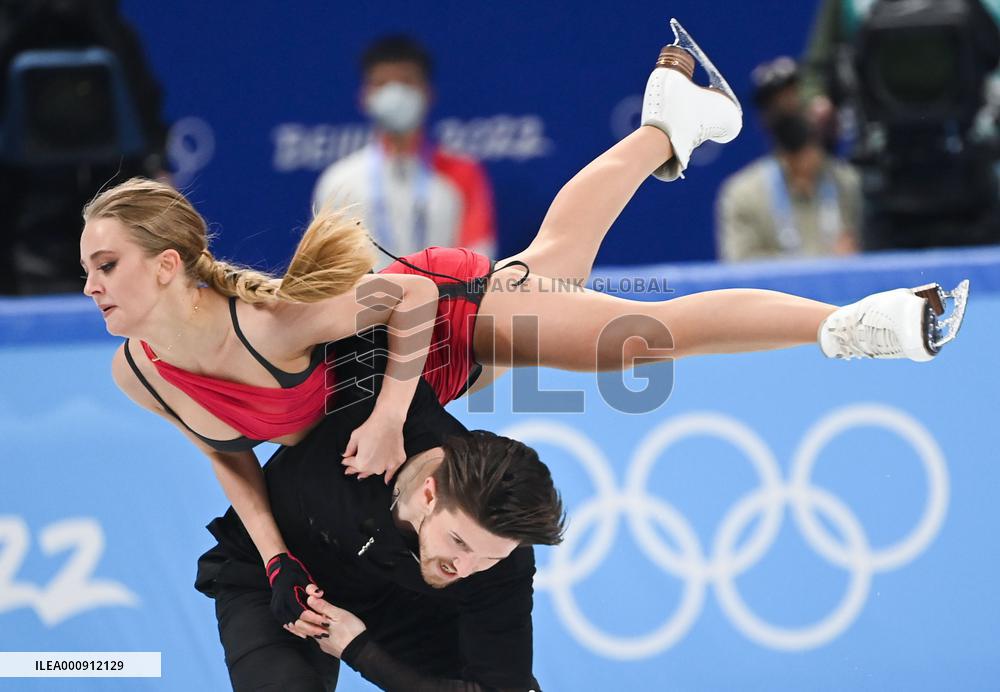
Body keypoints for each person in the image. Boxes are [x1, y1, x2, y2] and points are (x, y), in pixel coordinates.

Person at [80, 17, 967, 643]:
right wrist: (273, 559)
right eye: (85, 268)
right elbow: (225, 453)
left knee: (639, 337)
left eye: (106, 264)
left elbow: (412, 303)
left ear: (167, 265)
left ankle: (853, 326)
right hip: (437, 376)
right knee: (556, 256)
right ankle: (670, 119)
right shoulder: (139, 372)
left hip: (438, 317)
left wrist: (389, 418)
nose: (89, 286)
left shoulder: (268, 323)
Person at [195, 334, 564, 690]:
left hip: (397, 604)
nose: (464, 568)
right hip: (272, 563)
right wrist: (276, 559)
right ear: (429, 492)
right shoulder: (369, 392)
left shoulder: (502, 558)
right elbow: (217, 429)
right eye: (459, 542)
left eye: (488, 558)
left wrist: (360, 650)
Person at [312, 34, 497, 270]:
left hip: (446, 303)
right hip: (366, 303)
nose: (395, 94)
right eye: (381, 83)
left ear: (428, 93)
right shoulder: (338, 180)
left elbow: (478, 260)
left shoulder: (463, 172)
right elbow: (328, 269)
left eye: (406, 82)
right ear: (364, 97)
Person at [715, 56, 861, 262]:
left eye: (794, 98)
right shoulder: (742, 194)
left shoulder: (847, 183)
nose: (788, 110)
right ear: (764, 120)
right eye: (776, 106)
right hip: (776, 294)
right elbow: (740, 269)